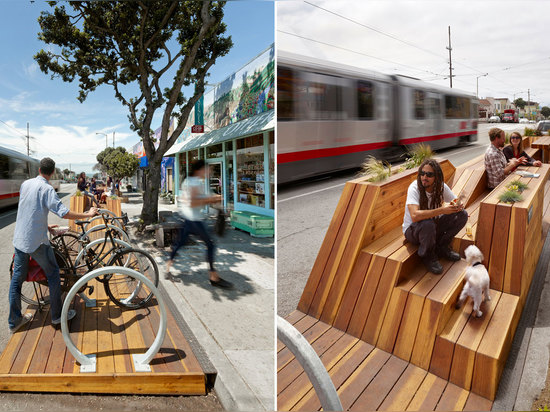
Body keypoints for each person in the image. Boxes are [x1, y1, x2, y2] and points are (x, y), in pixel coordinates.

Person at [9, 158, 99, 333]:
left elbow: (29, 211)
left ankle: (14, 322)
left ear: (40, 169)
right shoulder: (46, 188)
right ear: (51, 172)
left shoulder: (26, 184)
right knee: (53, 274)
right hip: (36, 242)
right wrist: (87, 214)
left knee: (16, 281)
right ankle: (57, 316)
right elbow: (63, 212)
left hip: (20, 239)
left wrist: (47, 226)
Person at [166, 159, 233, 289]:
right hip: (194, 220)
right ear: (199, 170)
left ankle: (167, 268)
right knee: (210, 245)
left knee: (179, 243)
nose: (209, 171)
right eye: (207, 169)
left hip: (188, 218)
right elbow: (193, 202)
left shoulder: (188, 181)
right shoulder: (194, 182)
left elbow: (187, 199)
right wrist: (212, 199)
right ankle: (213, 277)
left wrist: (211, 198)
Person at [402, 159, 468, 274]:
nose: (424, 177)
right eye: (422, 173)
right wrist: (442, 210)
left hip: (431, 226)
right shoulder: (414, 188)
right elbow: (414, 216)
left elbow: (455, 200)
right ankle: (428, 256)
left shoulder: (441, 187)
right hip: (413, 230)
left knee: (462, 215)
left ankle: (442, 246)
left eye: (429, 174)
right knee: (428, 224)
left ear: (436, 177)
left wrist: (458, 204)